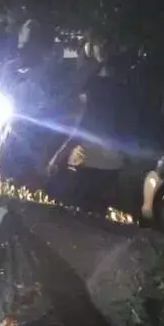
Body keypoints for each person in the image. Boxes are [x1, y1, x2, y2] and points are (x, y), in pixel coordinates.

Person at [46, 36, 127, 215]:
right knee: (99, 216)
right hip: (113, 165)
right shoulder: (124, 87)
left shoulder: (94, 86)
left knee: (77, 219)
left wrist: (59, 156)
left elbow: (81, 126)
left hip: (86, 162)